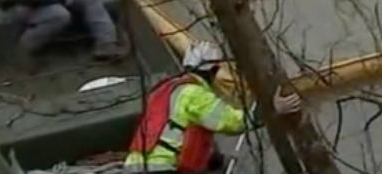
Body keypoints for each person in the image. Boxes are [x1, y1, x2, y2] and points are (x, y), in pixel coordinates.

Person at [122, 41, 303, 173]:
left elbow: (171, 131)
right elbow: (232, 122)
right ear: (213, 71)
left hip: (134, 166)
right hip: (161, 168)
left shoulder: (165, 90)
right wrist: (272, 109)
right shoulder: (194, 93)